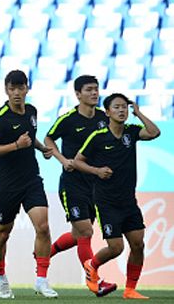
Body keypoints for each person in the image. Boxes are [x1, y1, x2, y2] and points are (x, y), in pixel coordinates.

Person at [73, 94, 160, 300]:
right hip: (106, 201)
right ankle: (91, 265)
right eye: (117, 107)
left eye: (125, 107)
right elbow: (77, 161)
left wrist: (138, 113)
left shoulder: (131, 132)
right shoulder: (98, 137)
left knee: (138, 243)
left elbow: (154, 132)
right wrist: (96, 171)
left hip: (128, 200)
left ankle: (130, 290)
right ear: (108, 112)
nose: (122, 110)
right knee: (116, 248)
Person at [0, 70, 57, 298]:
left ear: (27, 88)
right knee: (2, 233)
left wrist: (40, 147)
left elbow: (29, 136)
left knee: (43, 226)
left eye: (20, 88)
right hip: (7, 185)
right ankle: (0, 276)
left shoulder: (32, 111)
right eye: (12, 88)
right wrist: (16, 145)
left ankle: (42, 280)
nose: (16, 93)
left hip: (31, 179)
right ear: (6, 90)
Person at [44, 75, 116, 296]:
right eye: (89, 90)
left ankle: (44, 253)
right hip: (72, 185)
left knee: (79, 235)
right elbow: (48, 140)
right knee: (85, 231)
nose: (94, 93)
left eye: (96, 89)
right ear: (78, 94)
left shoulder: (105, 118)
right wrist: (63, 160)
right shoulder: (68, 119)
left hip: (95, 185)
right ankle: (94, 280)